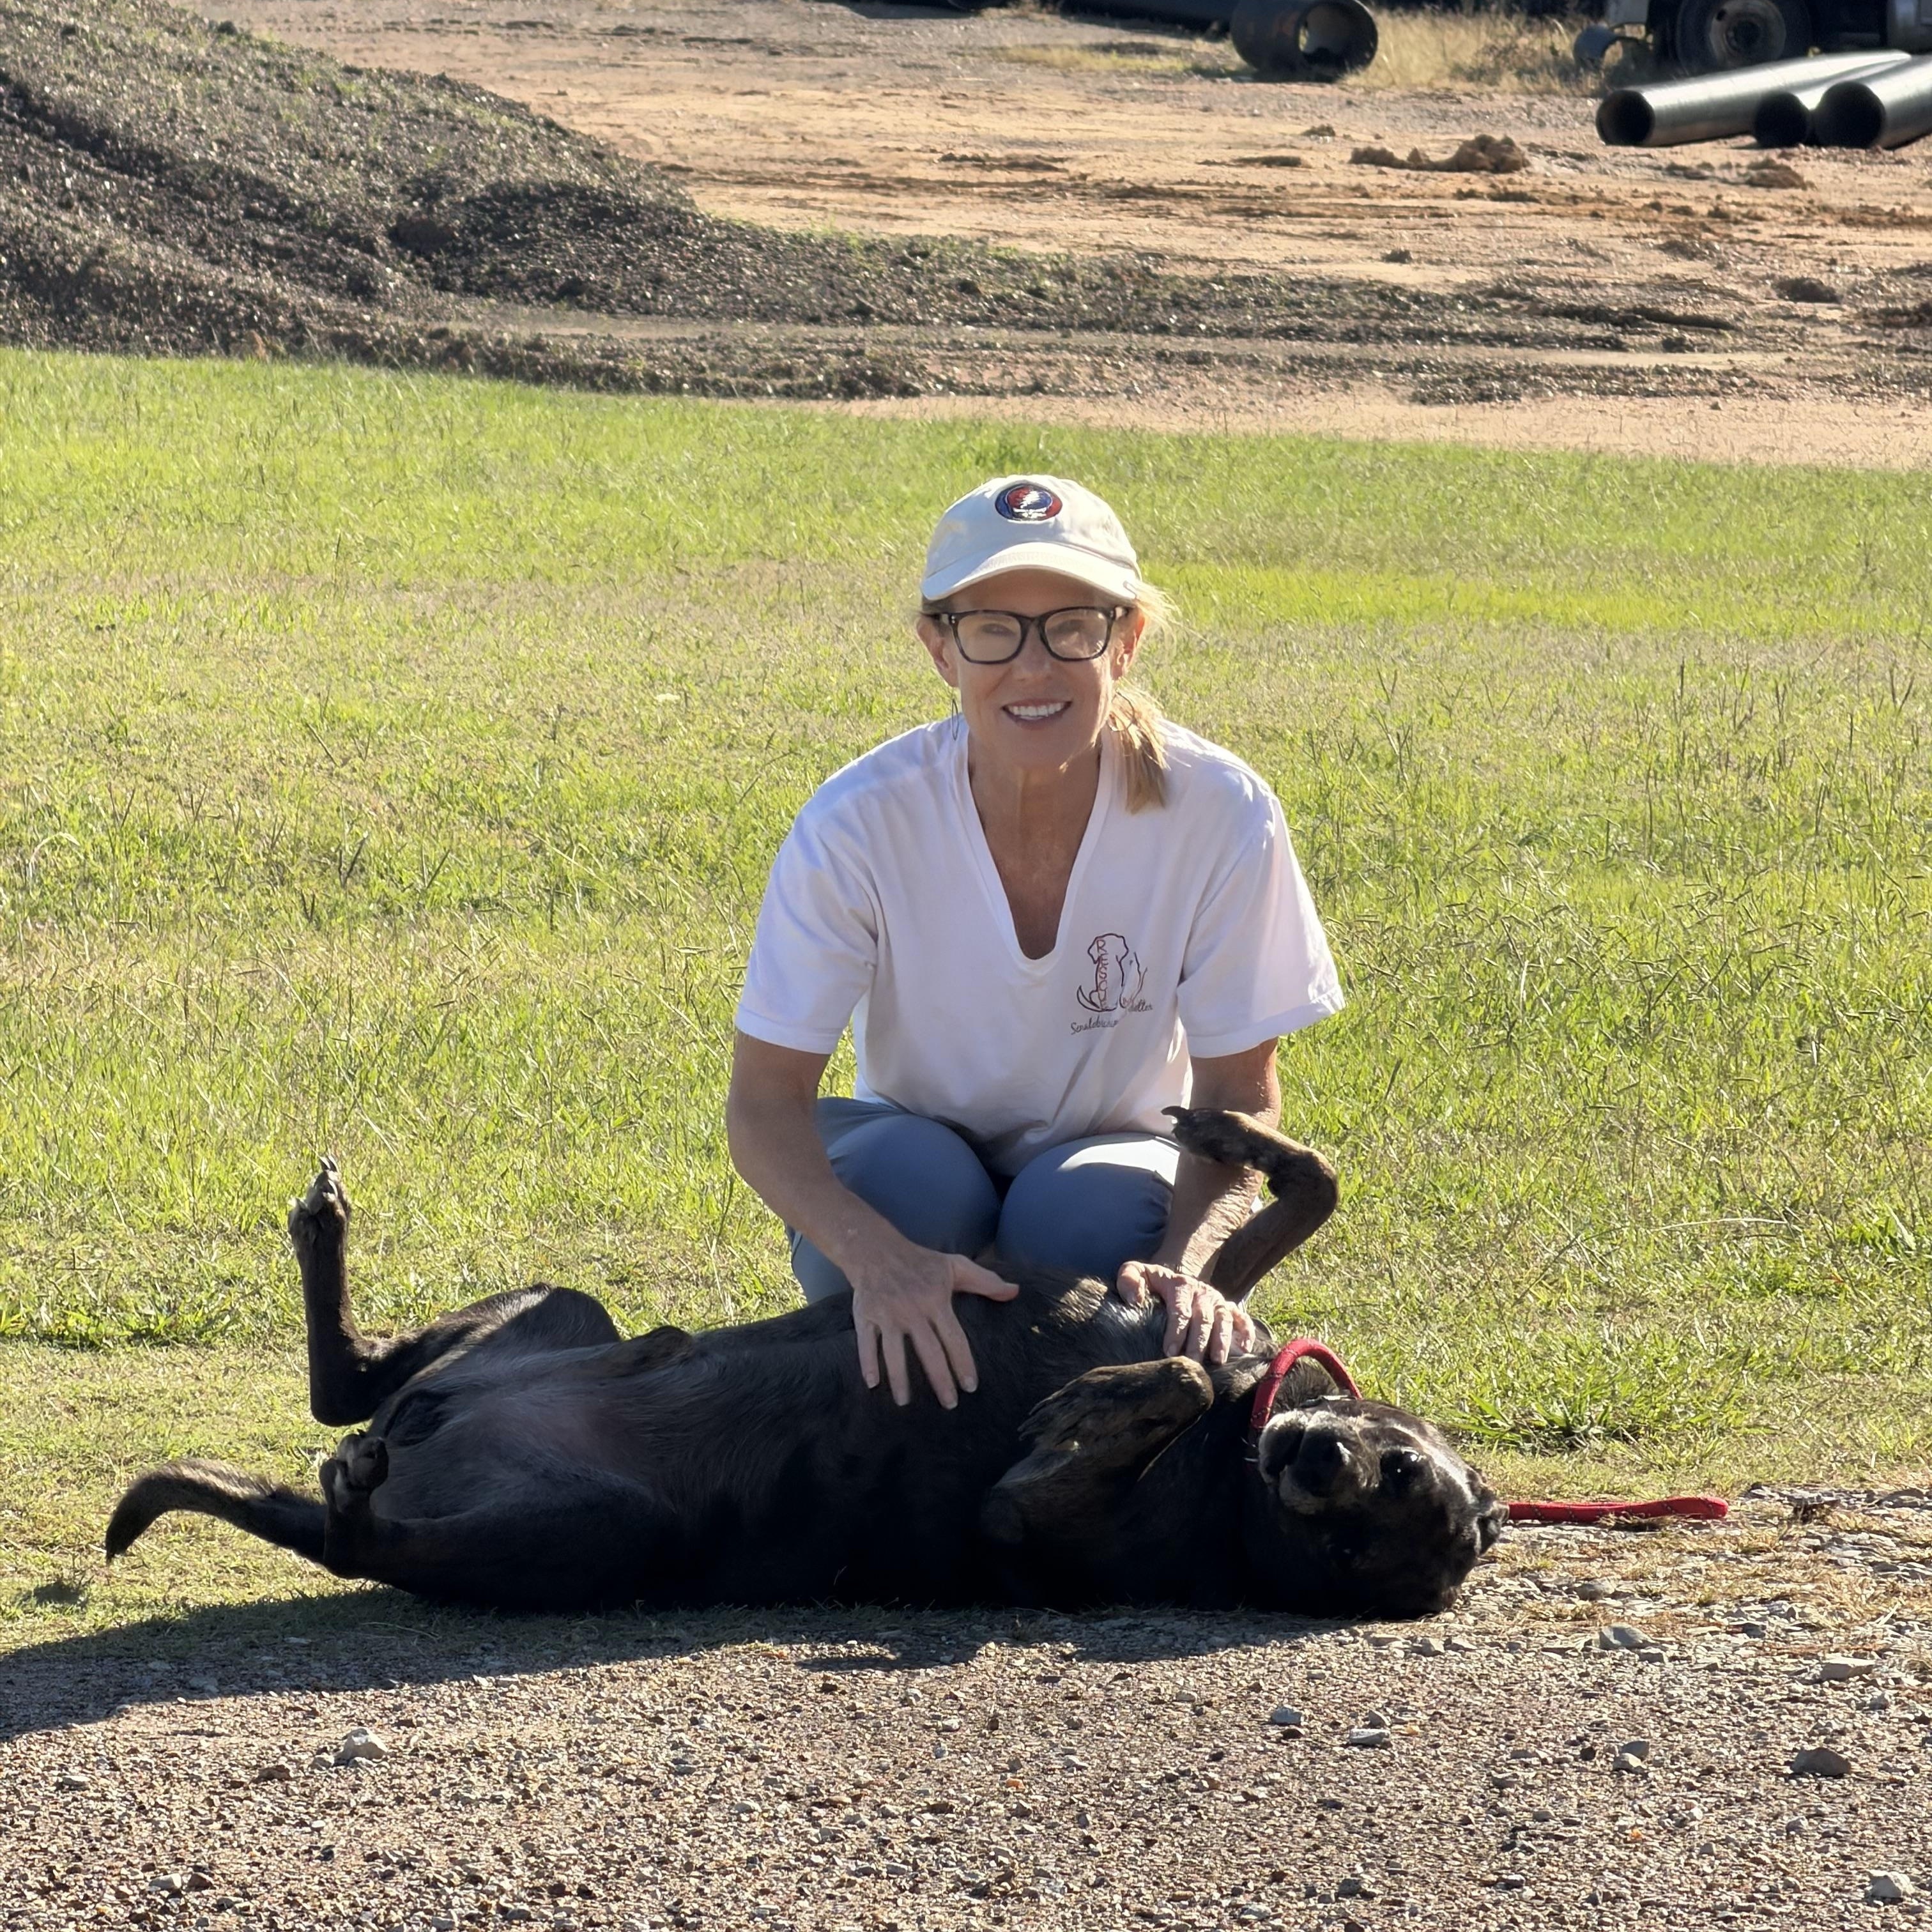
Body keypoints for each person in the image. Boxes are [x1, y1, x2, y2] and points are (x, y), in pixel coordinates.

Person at [726, 475, 1343, 1411]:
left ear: (1127, 640)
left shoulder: (1222, 811)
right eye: (993, 630)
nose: (1033, 666)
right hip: (914, 1146)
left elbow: (1234, 1095)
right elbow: (765, 1105)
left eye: (1071, 628)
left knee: (1082, 1225)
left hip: (1119, 1157)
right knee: (903, 1192)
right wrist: (879, 1261)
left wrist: (1189, 1268)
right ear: (940, 647)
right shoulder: (856, 821)